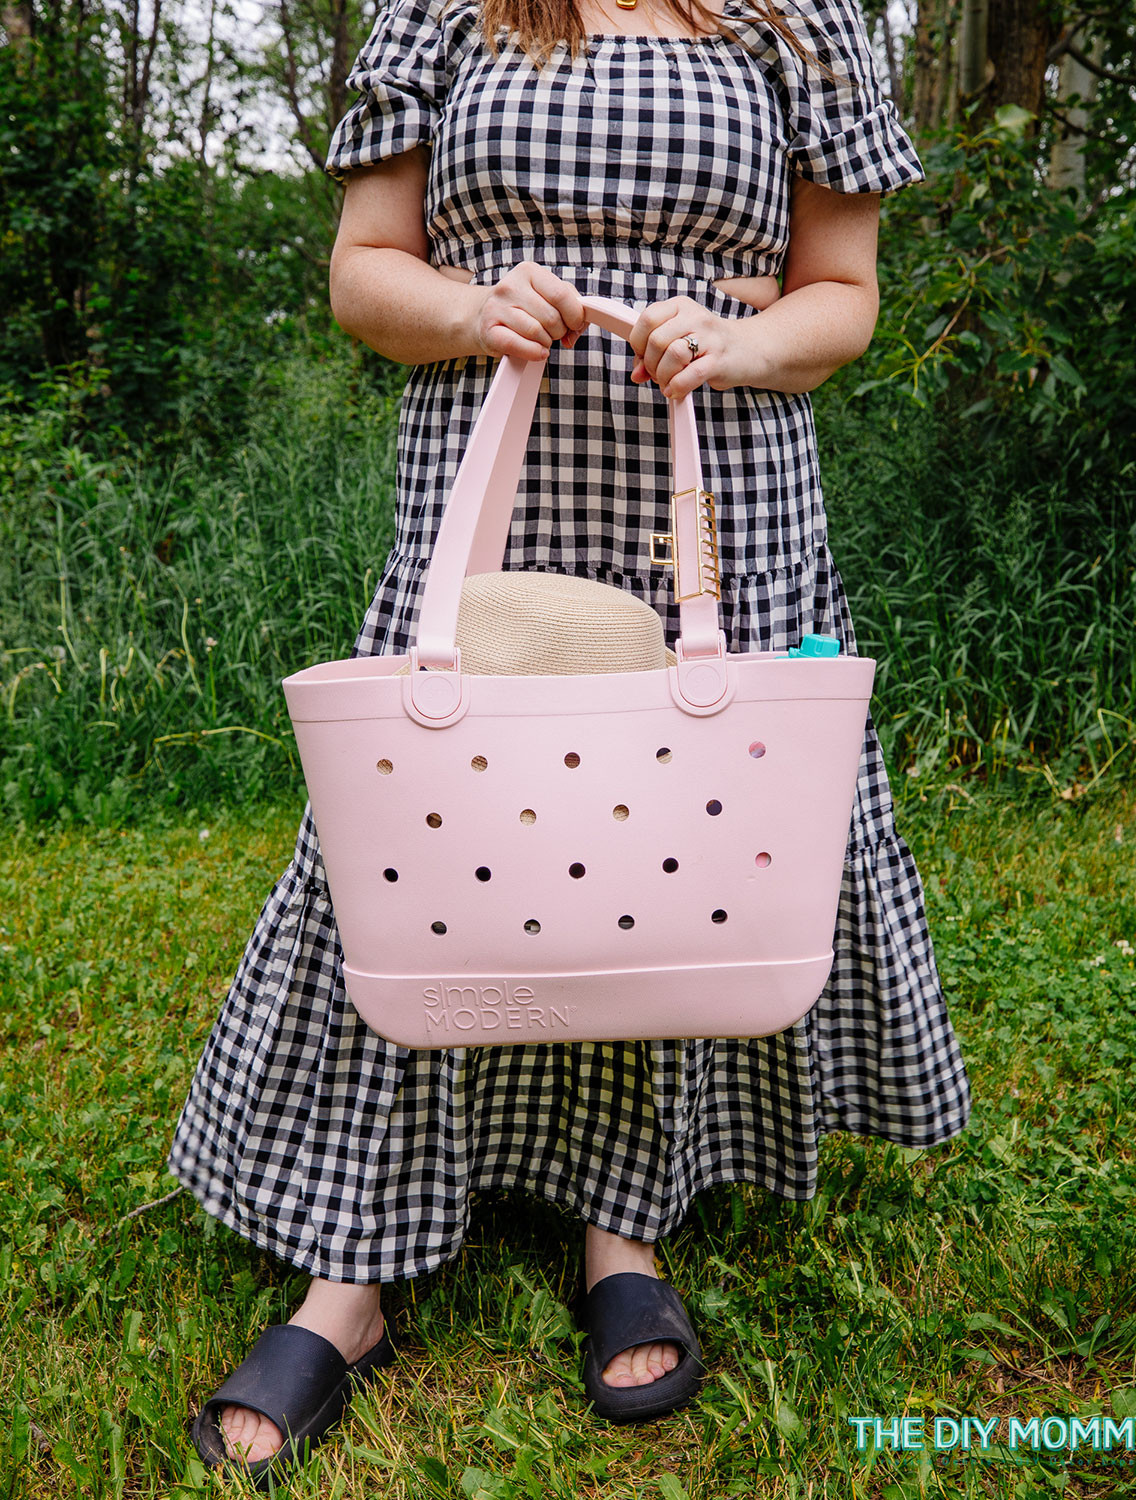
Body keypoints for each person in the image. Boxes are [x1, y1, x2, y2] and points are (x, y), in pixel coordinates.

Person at [171, 0, 972, 1483]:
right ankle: (353, 1268)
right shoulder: (444, 10)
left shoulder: (798, 22)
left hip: (714, 500)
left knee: (678, 848)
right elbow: (364, 271)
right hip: (492, 483)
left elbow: (843, 297)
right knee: (431, 837)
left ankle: (626, 1225)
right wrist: (473, 311)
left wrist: (739, 339)